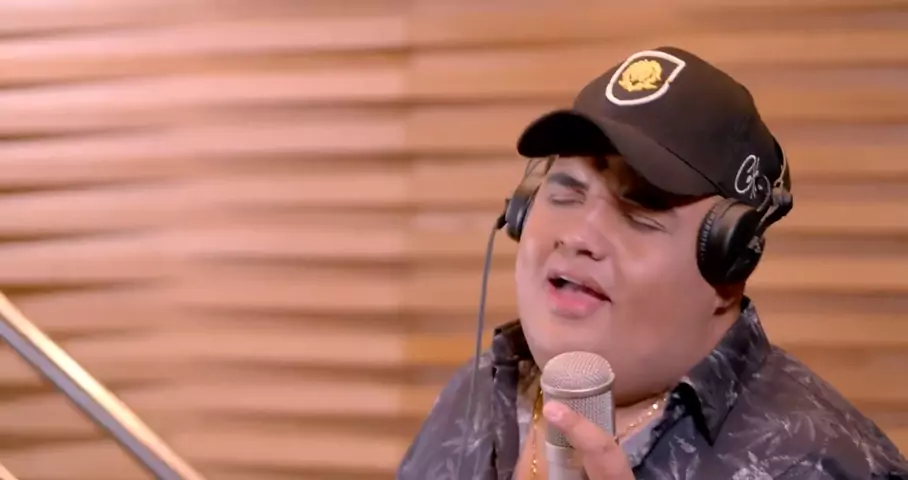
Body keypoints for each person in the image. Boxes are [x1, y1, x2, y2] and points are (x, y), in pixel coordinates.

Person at [396, 46, 908, 480]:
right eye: (565, 192)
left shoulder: (817, 464)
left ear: (729, 257)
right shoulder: (477, 394)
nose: (578, 235)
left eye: (641, 209)